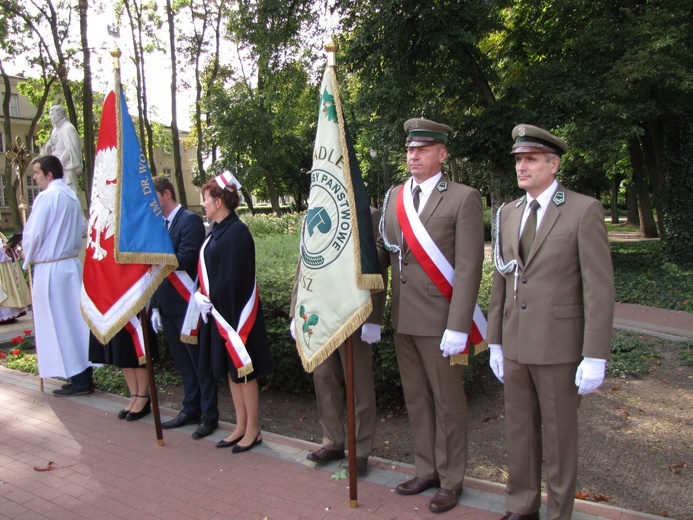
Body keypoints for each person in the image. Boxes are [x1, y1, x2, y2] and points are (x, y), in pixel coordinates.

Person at [487, 124, 615, 520]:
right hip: (516, 344)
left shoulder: (582, 209)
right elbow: (501, 277)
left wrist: (595, 354)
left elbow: (599, 287)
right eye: (518, 160)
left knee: (559, 440)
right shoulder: (508, 213)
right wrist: (494, 340)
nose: (521, 167)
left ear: (553, 164)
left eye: (530, 160)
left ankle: (559, 514)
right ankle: (521, 507)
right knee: (520, 434)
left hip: (560, 347)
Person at [379, 118, 484, 513]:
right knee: (417, 398)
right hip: (404, 319)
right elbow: (384, 253)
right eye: (410, 149)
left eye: (422, 149)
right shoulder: (394, 198)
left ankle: (451, 478)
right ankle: (426, 469)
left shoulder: (462, 197)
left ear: (442, 154)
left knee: (447, 402)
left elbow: (470, 266)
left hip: (442, 324)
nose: (413, 155)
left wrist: (459, 326)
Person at [290, 207, 388, 474]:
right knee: (323, 377)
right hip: (320, 314)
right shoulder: (316, 211)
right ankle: (332, 441)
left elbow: (380, 261)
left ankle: (361, 450)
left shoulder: (370, 214)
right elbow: (304, 265)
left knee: (358, 382)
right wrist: (295, 313)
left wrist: (374, 318)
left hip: (354, 313)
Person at [195, 172, 272, 453]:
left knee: (244, 372)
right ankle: (240, 425)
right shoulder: (216, 230)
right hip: (220, 315)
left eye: (205, 199)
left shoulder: (237, 232)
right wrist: (201, 295)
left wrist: (214, 300)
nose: (203, 203)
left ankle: (253, 429)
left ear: (218, 201)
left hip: (238, 318)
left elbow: (236, 278)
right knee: (231, 371)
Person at [151, 176, 219, 439]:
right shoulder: (161, 224)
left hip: (187, 304)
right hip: (168, 305)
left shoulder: (188, 220)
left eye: (154, 197)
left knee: (198, 363)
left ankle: (208, 414)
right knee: (184, 364)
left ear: (166, 194)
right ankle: (190, 408)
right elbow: (155, 272)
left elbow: (187, 257)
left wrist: (155, 255)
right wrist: (156, 306)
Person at [23, 155, 92, 395]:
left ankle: (80, 380)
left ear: (49, 175)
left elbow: (33, 234)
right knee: (76, 323)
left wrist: (26, 257)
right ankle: (83, 375)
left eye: (37, 173)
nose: (35, 178)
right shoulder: (72, 196)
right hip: (70, 266)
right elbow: (85, 227)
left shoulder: (47, 197)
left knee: (62, 324)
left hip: (51, 269)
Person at [88, 321, 156, 421]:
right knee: (122, 351)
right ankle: (134, 396)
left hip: (135, 312)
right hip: (118, 311)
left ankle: (143, 397)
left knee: (137, 351)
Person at [41, 105, 83, 196]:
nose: (50, 117)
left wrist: (60, 161)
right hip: (57, 169)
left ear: (59, 115)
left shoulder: (68, 128)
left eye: (52, 114)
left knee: (70, 194)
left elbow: (71, 148)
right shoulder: (55, 130)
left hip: (67, 168)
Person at [0, 227, 31, 323]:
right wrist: (3, 248)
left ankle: (12, 313)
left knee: (10, 288)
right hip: (2, 271)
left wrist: (11, 246)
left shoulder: (1, 234)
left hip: (6, 268)